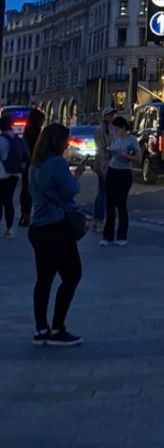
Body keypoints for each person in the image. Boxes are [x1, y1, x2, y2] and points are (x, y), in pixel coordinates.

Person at [28, 122, 85, 346]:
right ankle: (57, 327)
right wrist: (76, 175)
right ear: (57, 142)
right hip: (56, 226)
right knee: (72, 275)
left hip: (38, 226)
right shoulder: (57, 163)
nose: (67, 144)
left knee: (44, 278)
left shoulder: (35, 165)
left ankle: (40, 327)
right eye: (65, 141)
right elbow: (70, 191)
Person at [100, 116, 140, 247]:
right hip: (113, 170)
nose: (115, 131)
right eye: (114, 129)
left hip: (124, 172)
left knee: (121, 204)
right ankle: (108, 236)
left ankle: (122, 235)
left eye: (117, 129)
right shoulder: (115, 139)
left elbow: (137, 158)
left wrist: (125, 156)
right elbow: (112, 154)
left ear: (123, 128)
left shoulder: (132, 140)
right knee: (110, 205)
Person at [0, 113, 29, 237]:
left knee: (0, 200)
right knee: (9, 200)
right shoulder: (18, 139)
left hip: (2, 173)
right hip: (15, 173)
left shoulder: (1, 140)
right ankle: (9, 228)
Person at [18, 107, 45, 228]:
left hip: (27, 164)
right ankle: (33, 214)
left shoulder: (26, 132)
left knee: (25, 188)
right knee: (35, 189)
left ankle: (24, 214)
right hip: (37, 163)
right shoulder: (40, 134)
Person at [92, 107, 115, 233]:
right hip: (103, 163)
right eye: (110, 115)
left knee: (105, 192)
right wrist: (109, 153)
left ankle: (101, 219)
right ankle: (99, 219)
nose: (112, 117)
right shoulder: (100, 131)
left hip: (111, 163)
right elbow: (101, 149)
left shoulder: (112, 130)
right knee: (102, 192)